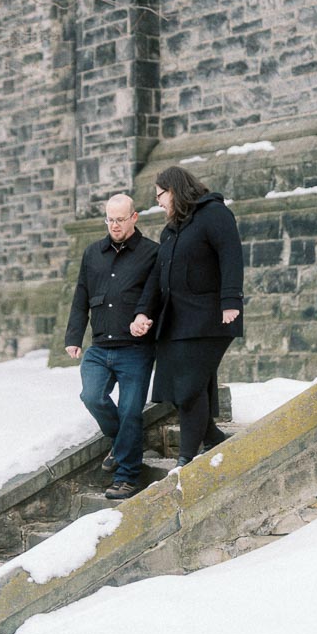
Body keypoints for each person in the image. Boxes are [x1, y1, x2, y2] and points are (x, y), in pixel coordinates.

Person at [130, 166, 243, 467]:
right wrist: (143, 312)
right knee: (184, 385)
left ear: (175, 189)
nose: (158, 202)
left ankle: (186, 459)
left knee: (190, 386)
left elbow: (231, 255)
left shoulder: (214, 214)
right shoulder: (171, 230)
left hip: (211, 318)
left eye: (160, 195)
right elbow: (156, 277)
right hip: (176, 321)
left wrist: (231, 301)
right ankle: (212, 438)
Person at [65, 193, 158, 500]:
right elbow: (81, 296)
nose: (114, 225)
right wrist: (73, 338)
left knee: (131, 411)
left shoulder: (151, 253)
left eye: (120, 219)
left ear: (134, 218)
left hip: (135, 348)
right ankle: (122, 446)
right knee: (91, 396)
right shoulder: (93, 253)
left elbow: (157, 295)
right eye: (109, 219)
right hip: (99, 347)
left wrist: (146, 317)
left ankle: (127, 477)